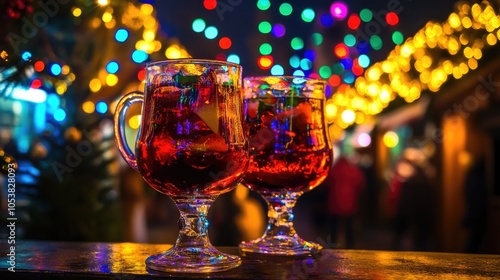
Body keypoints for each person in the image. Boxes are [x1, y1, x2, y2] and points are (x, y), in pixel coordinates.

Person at [325, 156, 366, 248]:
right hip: (350, 203)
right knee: (349, 226)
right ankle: (350, 246)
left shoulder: (334, 170)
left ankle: (332, 245)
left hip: (334, 203)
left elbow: (326, 184)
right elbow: (361, 184)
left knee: (334, 227)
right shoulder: (354, 170)